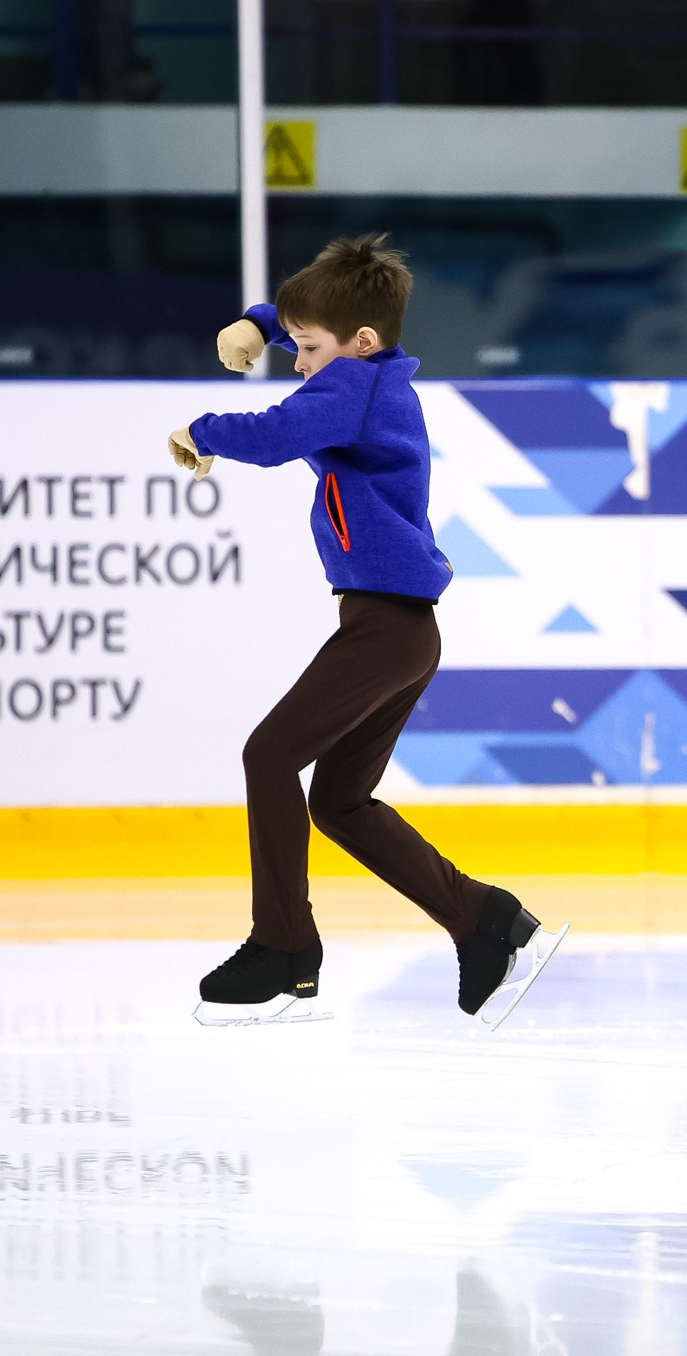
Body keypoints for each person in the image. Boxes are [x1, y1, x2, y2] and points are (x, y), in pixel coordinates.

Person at [168, 233, 566, 1026]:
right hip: (398, 630)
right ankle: (485, 921)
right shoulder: (368, 376)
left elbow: (279, 434)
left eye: (306, 348)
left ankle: (282, 946)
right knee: (340, 802)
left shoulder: (351, 386)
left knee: (269, 755)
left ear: (359, 345)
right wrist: (261, 322)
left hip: (385, 629)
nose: (297, 362)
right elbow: (319, 337)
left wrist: (200, 430)